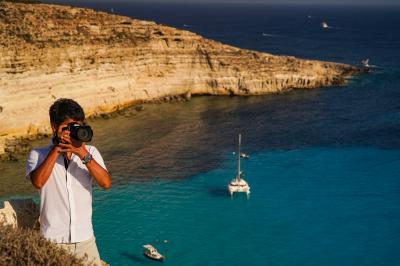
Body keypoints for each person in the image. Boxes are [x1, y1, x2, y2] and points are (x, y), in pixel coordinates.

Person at [26, 98, 111, 265]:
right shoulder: (37, 155)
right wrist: (57, 149)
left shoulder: (90, 152)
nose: (73, 131)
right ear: (54, 127)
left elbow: (106, 183)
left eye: (77, 127)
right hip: (52, 241)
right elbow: (38, 182)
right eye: (68, 127)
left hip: (85, 240)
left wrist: (82, 153)